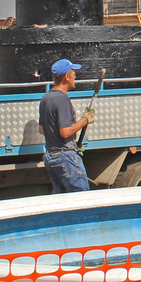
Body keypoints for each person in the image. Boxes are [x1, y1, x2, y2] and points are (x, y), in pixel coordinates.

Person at [40, 59, 92, 193]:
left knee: (63, 202)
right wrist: (85, 120)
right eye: (73, 74)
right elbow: (64, 132)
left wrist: (71, 143)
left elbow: (42, 129)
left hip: (51, 157)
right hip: (65, 158)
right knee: (81, 199)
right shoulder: (62, 99)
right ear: (66, 77)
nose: (75, 77)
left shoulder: (46, 98)